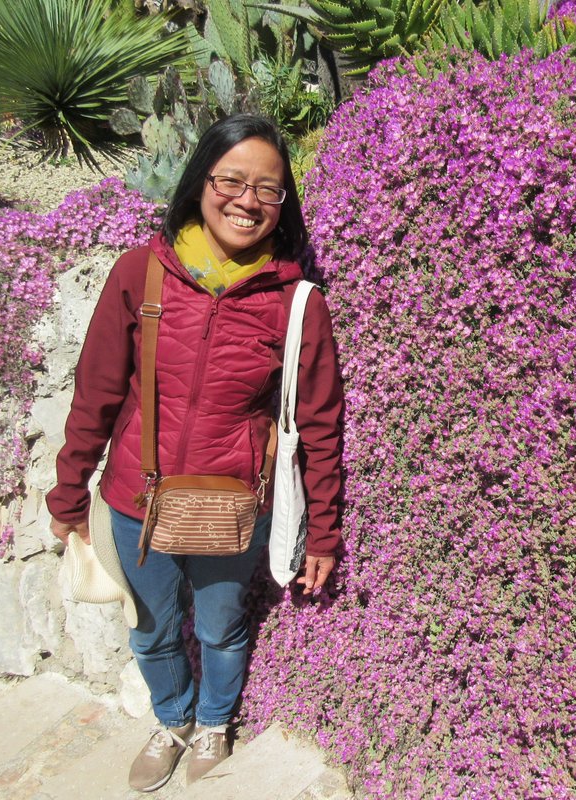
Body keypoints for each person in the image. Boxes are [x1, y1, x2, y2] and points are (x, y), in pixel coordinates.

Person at [47, 114, 343, 793]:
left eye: (268, 189)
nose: (247, 200)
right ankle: (173, 719)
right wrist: (68, 492)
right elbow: (94, 393)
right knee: (150, 632)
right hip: (135, 499)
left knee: (219, 629)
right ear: (199, 182)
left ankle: (213, 720)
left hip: (229, 505)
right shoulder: (141, 274)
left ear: (283, 205)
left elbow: (321, 427)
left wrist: (322, 529)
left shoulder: (296, 304)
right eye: (232, 180)